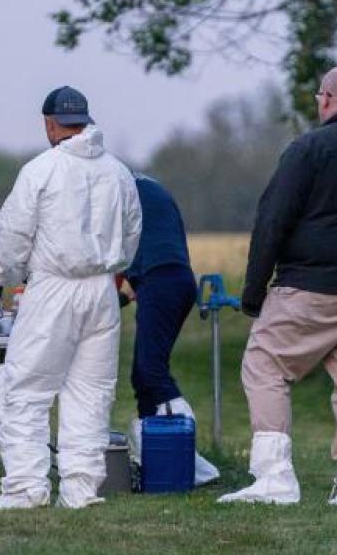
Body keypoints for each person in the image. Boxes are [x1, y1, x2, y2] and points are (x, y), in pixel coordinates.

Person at [219, 67, 337, 506]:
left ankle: (274, 478)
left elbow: (272, 219)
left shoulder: (308, 149)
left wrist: (254, 292)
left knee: (265, 363)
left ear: (324, 99)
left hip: (314, 284)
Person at [0, 86, 142, 509]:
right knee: (90, 392)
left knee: (27, 390)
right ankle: (79, 489)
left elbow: (14, 233)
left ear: (50, 124)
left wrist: (10, 277)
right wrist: (112, 268)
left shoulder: (41, 170)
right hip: (102, 292)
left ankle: (26, 487)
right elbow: (132, 236)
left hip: (53, 287)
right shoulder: (119, 172)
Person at [122, 173, 221, 486]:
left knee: (151, 370)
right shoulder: (147, 187)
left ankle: (186, 459)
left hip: (160, 280)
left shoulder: (114, 189)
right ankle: (152, 460)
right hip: (173, 279)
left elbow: (107, 257)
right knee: (143, 374)